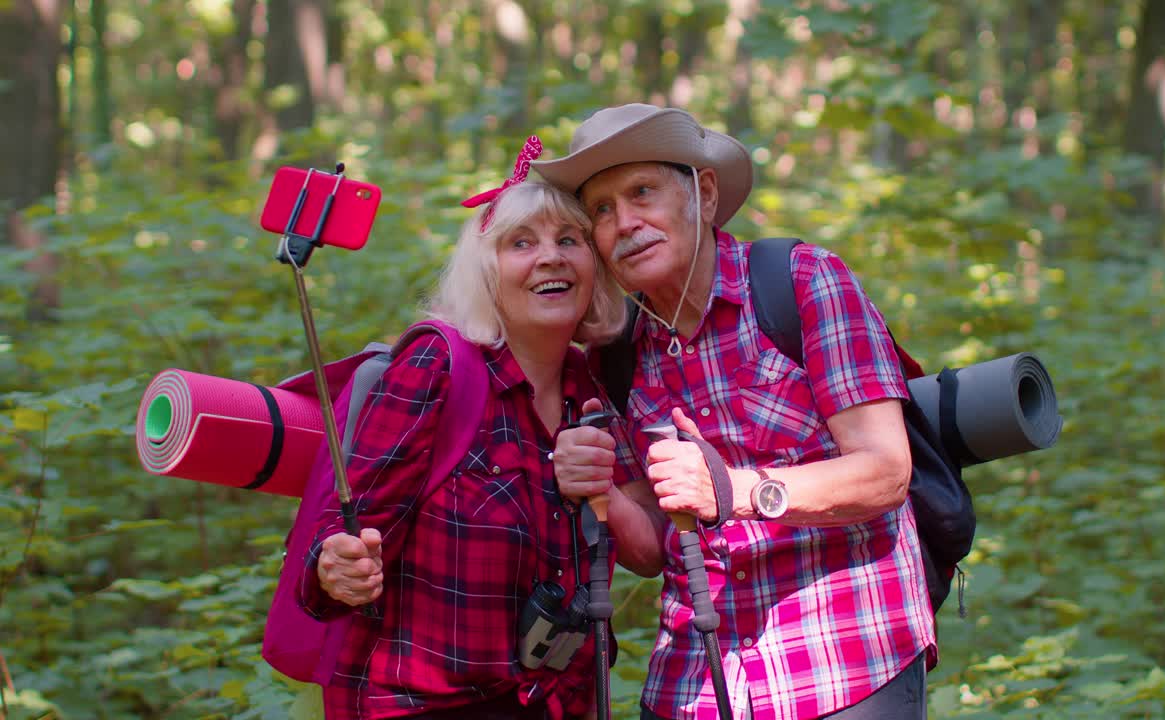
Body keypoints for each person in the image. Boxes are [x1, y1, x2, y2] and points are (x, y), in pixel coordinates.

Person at [539, 105, 935, 720]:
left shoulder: (801, 282)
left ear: (702, 191)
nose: (625, 223)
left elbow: (885, 472)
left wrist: (735, 490)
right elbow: (648, 552)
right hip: (695, 676)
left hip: (845, 657)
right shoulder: (614, 356)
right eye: (602, 209)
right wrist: (601, 491)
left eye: (642, 192)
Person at [297, 136, 645, 720]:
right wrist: (336, 568)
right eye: (521, 243)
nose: (551, 257)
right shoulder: (438, 367)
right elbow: (344, 529)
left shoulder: (594, 392)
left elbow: (649, 547)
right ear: (487, 271)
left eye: (569, 240)